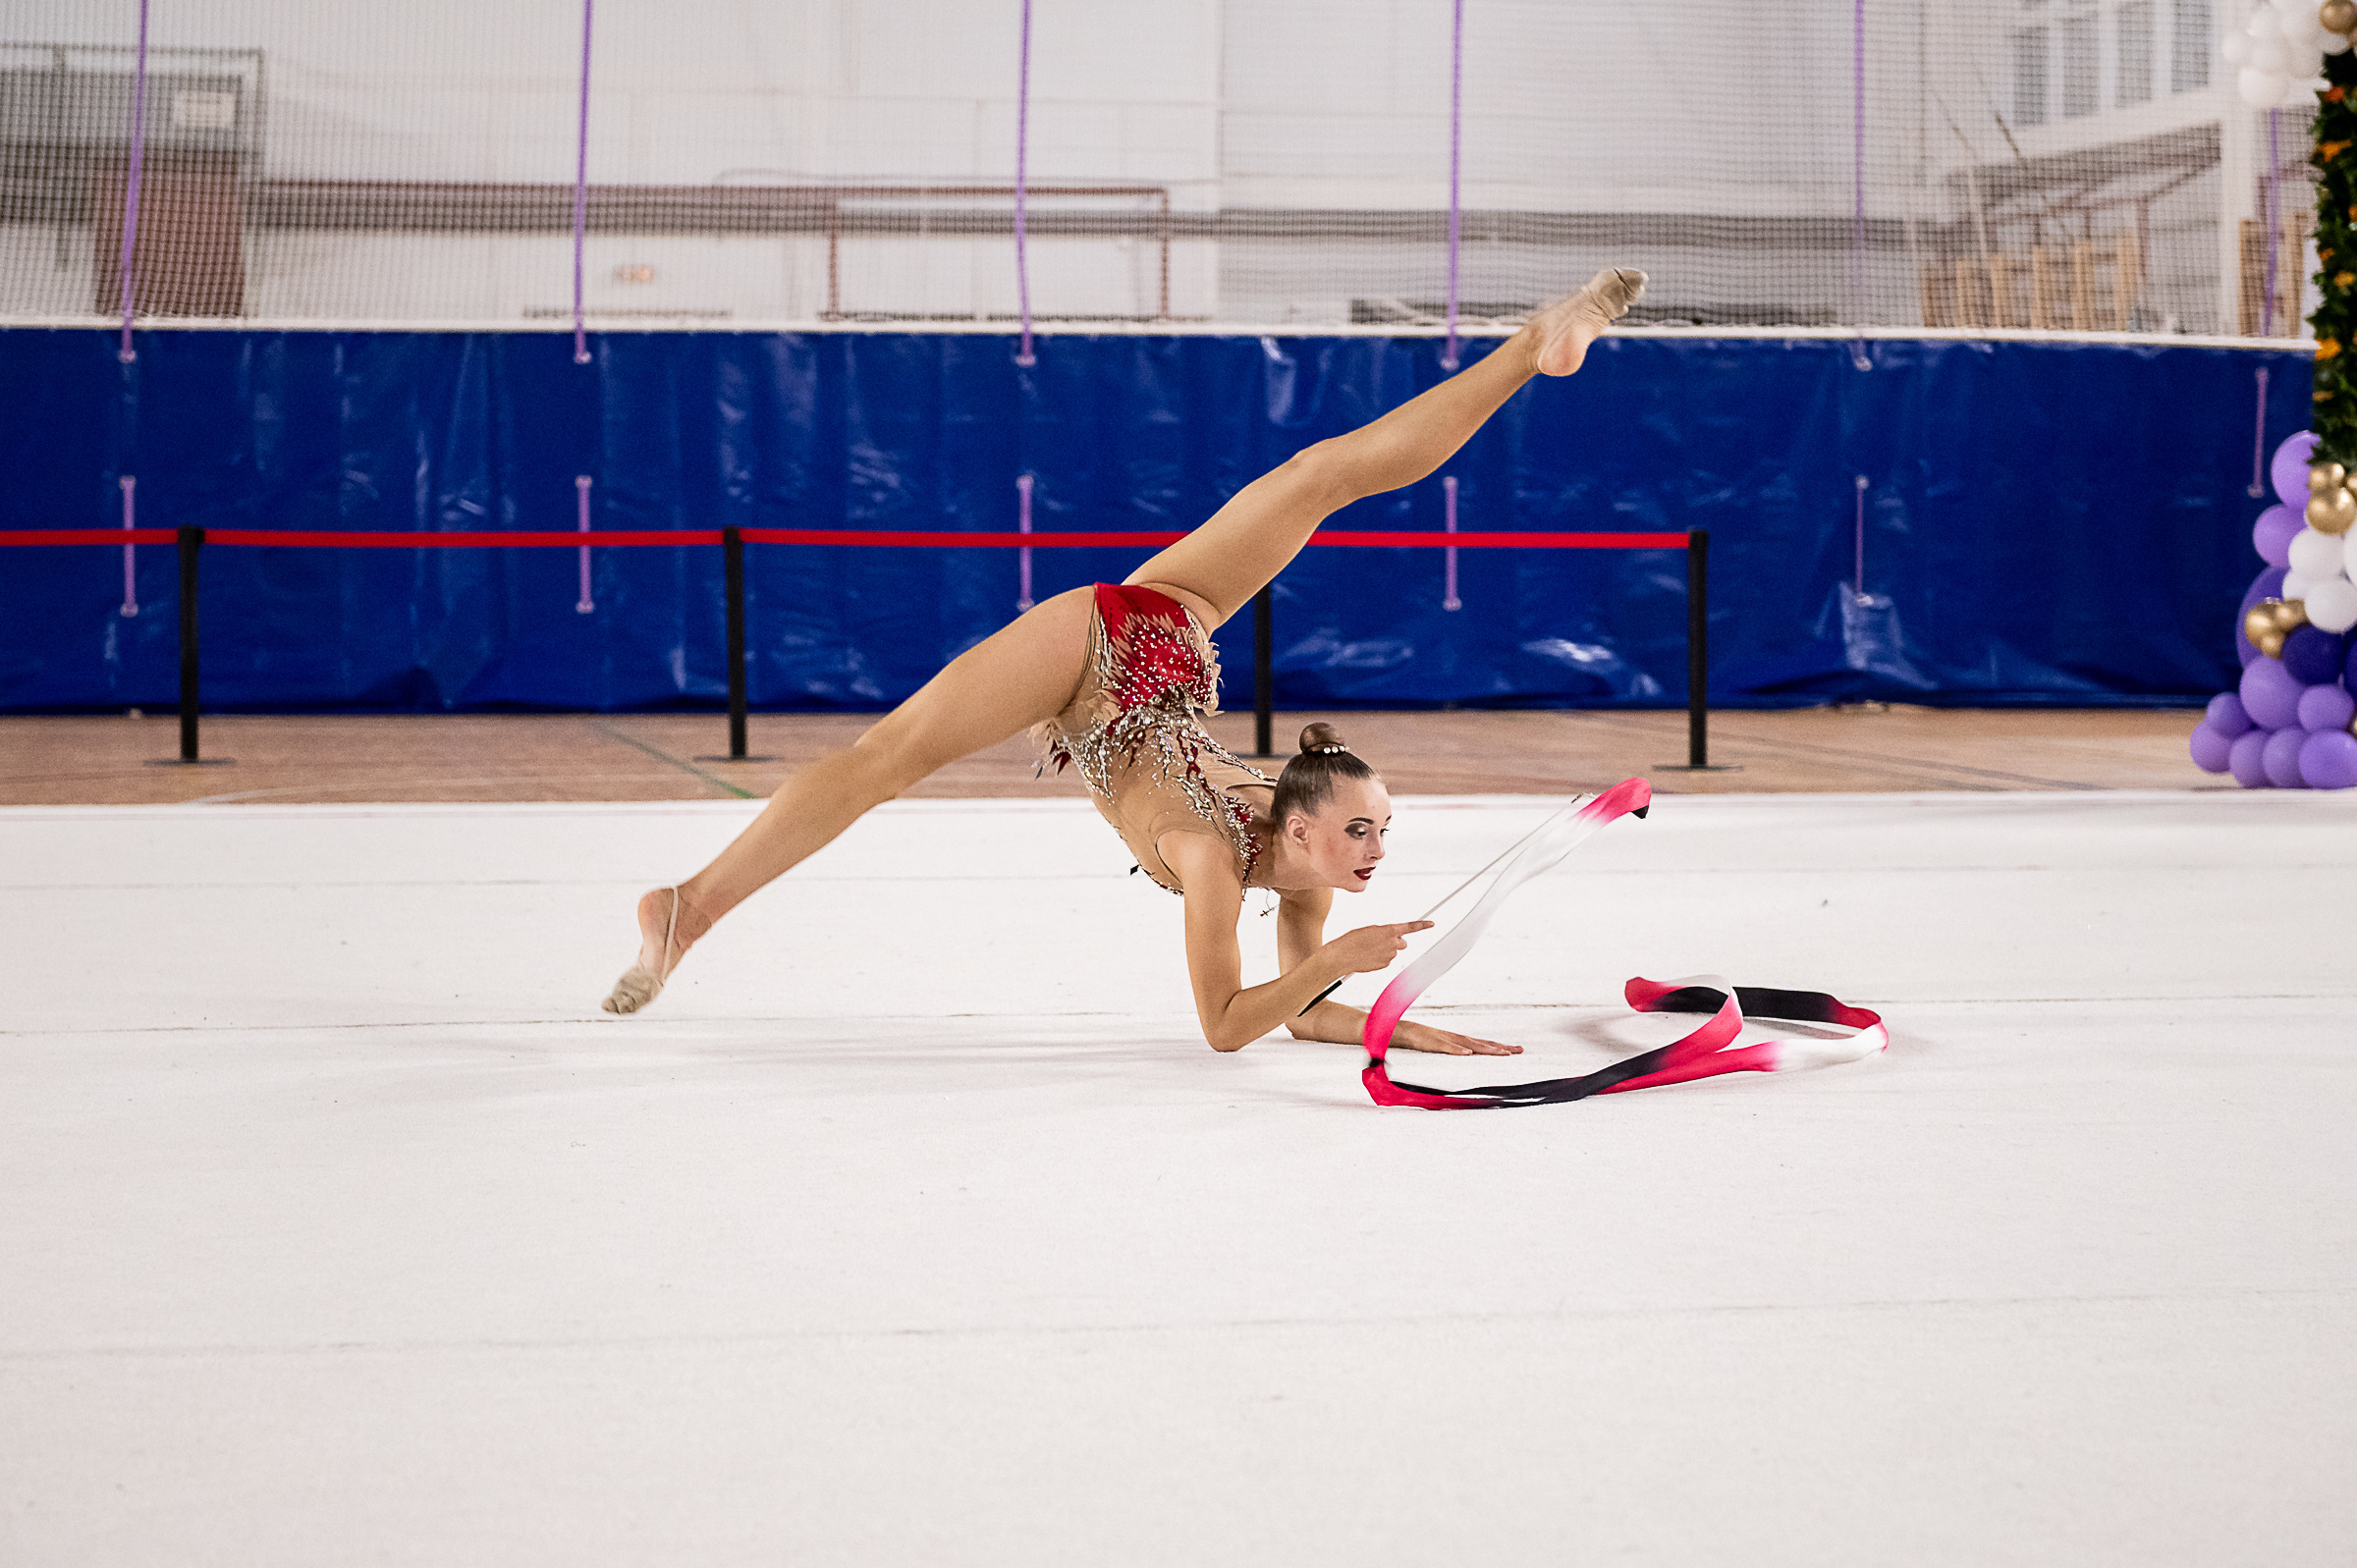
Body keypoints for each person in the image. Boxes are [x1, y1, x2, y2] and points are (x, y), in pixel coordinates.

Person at [601, 266, 1648, 1054]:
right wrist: (1330, 967)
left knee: (1321, 475)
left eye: (1378, 829)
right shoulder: (1207, 854)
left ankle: (1532, 346)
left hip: (1175, 642)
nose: (1377, 847)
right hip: (1105, 644)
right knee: (891, 756)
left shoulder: (1288, 871)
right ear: (1299, 825)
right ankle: (684, 908)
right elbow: (1228, 1027)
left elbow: (1296, 1016)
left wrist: (1401, 1029)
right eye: (1363, 828)